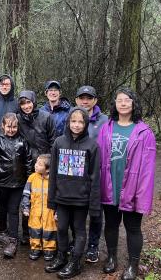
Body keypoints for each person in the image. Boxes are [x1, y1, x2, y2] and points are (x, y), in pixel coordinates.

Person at [97, 87, 156, 280]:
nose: (122, 103)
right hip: (109, 183)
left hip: (132, 186)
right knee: (111, 224)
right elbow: (98, 156)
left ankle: (133, 265)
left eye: (127, 100)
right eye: (119, 100)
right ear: (115, 103)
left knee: (132, 227)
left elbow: (148, 167)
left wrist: (142, 193)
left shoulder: (144, 131)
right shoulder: (107, 127)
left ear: (133, 104)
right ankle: (112, 257)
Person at [46, 107, 100, 279]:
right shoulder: (59, 143)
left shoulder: (92, 146)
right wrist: (52, 200)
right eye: (73, 121)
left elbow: (95, 177)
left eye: (81, 122)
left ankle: (75, 262)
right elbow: (53, 173)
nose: (76, 125)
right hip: (62, 197)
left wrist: (94, 205)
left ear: (85, 124)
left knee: (79, 230)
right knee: (61, 228)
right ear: (68, 122)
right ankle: (61, 257)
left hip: (81, 199)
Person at [0, 113, 33, 258]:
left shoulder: (23, 142)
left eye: (14, 127)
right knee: (2, 208)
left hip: (18, 184)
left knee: (13, 210)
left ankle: (13, 239)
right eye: (8, 126)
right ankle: (2, 231)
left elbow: (28, 163)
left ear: (18, 127)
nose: (11, 129)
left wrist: (29, 182)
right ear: (3, 126)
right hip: (1, 182)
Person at [73, 85, 108, 263]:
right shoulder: (72, 117)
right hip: (75, 172)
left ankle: (93, 246)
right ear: (76, 99)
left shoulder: (105, 121)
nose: (85, 101)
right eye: (82, 98)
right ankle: (76, 242)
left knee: (95, 211)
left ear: (95, 100)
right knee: (75, 210)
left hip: (96, 171)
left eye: (89, 98)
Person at [17, 90, 57, 245]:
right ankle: (28, 234)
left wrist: (50, 164)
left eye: (28, 102)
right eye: (23, 103)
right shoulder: (18, 119)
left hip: (44, 163)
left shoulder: (46, 117)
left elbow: (54, 141)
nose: (26, 106)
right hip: (26, 164)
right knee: (28, 199)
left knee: (47, 201)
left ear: (33, 101)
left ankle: (48, 235)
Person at [21, 154, 57, 261]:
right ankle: (35, 248)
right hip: (35, 210)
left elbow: (58, 197)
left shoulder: (53, 180)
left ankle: (49, 249)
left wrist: (57, 212)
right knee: (34, 229)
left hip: (49, 210)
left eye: (40, 164)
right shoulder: (32, 177)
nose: (36, 165)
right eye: (36, 162)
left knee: (49, 229)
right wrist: (26, 207)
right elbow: (26, 194)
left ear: (48, 169)